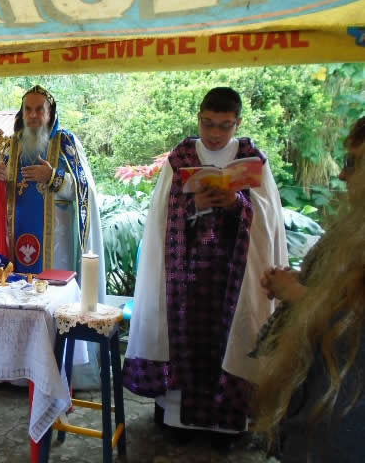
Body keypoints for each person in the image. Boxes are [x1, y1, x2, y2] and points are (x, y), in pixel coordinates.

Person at [123, 87, 287, 448]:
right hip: (185, 277)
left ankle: (227, 426)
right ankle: (177, 417)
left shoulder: (252, 159)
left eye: (224, 126)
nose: (214, 133)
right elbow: (161, 218)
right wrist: (192, 203)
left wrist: (238, 203)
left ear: (237, 123)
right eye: (208, 123)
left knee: (232, 337)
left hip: (234, 277)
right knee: (183, 337)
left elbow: (269, 222)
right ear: (199, 118)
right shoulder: (181, 157)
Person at [0, 84, 106, 389]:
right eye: (28, 110)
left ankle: (57, 374)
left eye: (39, 110)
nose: (33, 115)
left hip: (57, 247)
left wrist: (54, 177)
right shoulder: (10, 147)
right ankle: (13, 372)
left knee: (52, 305)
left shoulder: (66, 142)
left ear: (50, 113)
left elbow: (85, 193)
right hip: (14, 243)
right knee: (12, 303)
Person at [254, 116, 365, 462]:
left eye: (352, 163)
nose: (342, 174)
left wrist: (297, 294)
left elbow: (353, 321)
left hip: (344, 419)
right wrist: (304, 278)